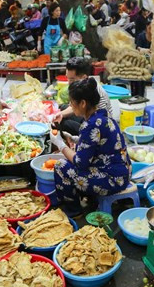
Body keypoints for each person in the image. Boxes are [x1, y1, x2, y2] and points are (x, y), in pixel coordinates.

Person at [50, 78, 131, 215]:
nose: (70, 105)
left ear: (82, 103)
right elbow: (97, 144)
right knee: (71, 160)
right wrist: (75, 140)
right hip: (123, 172)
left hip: (113, 180)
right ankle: (90, 199)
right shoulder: (103, 116)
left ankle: (74, 211)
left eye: (72, 102)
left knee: (61, 167)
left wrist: (60, 144)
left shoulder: (91, 125)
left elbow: (80, 163)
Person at [52, 58, 111, 136]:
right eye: (67, 78)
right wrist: (61, 114)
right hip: (88, 117)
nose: (69, 83)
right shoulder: (84, 84)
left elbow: (100, 125)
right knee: (62, 109)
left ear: (83, 77)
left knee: (62, 123)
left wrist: (61, 145)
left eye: (72, 79)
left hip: (100, 128)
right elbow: (74, 106)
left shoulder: (92, 91)